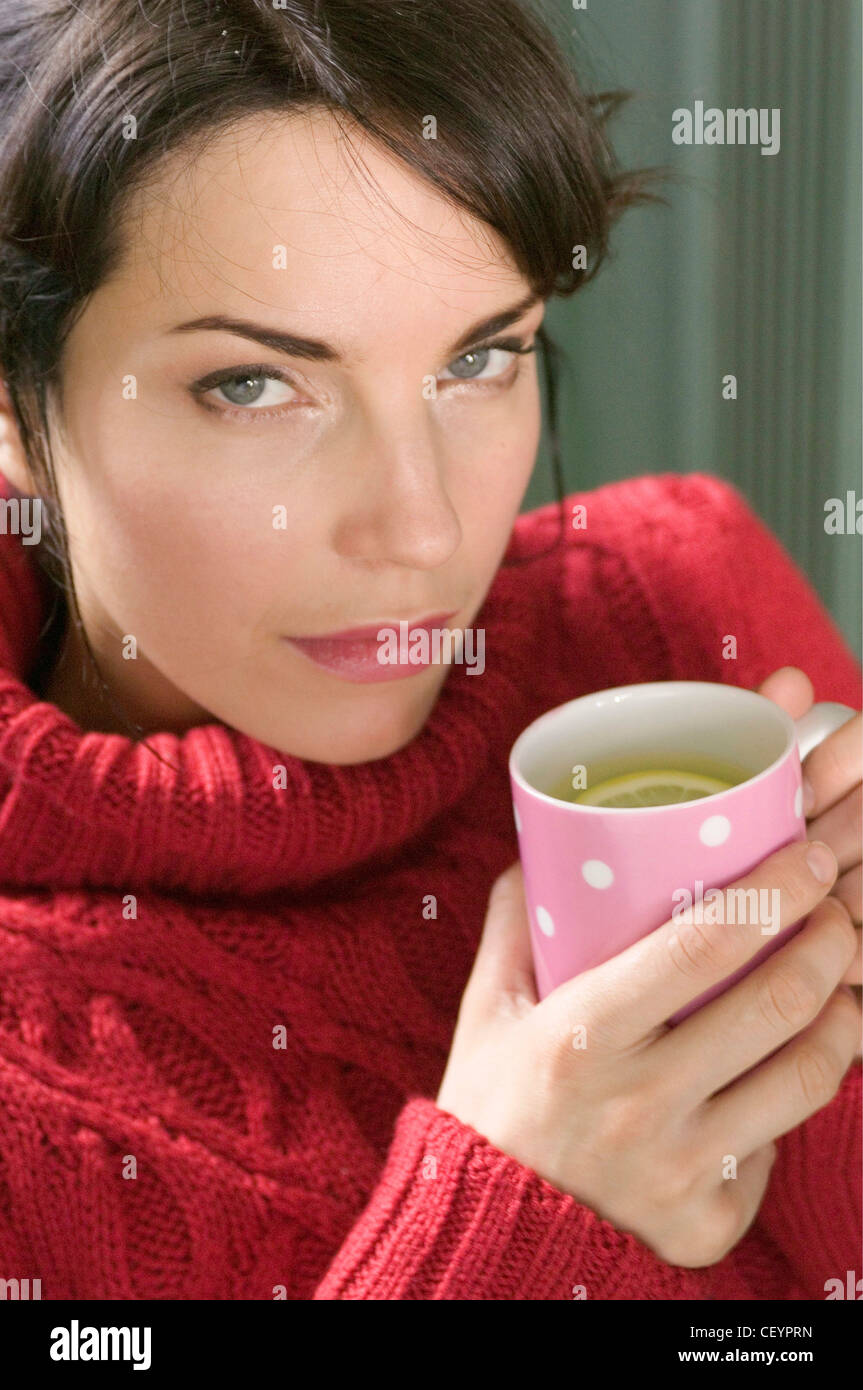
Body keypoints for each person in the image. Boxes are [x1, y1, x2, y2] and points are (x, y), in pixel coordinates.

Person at [0, 0, 859, 1300]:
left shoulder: (680, 618)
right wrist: (507, 1236)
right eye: (254, 385)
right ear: (12, 412)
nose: (423, 528)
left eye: (481, 358)